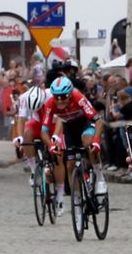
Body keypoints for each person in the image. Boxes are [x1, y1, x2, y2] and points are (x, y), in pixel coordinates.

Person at [40, 76, 104, 215]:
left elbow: (98, 121)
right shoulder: (50, 103)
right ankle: (77, 199)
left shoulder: (78, 97)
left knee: (88, 143)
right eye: (56, 97)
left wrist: (96, 140)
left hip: (85, 124)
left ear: (69, 94)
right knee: (70, 165)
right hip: (69, 128)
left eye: (63, 97)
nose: (59, 101)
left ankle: (99, 177)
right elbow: (44, 131)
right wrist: (51, 145)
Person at [12, 84, 50, 184]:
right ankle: (33, 171)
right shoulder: (24, 98)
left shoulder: (50, 94)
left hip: (51, 122)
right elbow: (21, 119)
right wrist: (20, 137)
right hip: (37, 121)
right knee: (26, 135)